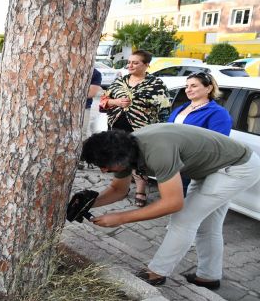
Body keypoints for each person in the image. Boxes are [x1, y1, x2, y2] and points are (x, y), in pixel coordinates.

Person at [81, 124, 260, 290]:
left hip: (237, 168)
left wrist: (121, 218)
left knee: (183, 219)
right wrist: (86, 204)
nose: (103, 171)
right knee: (207, 225)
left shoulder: (157, 151)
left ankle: (156, 273)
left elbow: (173, 203)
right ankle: (208, 277)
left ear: (119, 159)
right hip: (211, 169)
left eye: (104, 166)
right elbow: (118, 190)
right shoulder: (121, 150)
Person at [100, 50, 170, 207]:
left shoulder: (156, 84)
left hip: (142, 129)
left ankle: (140, 190)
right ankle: (120, 187)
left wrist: (160, 130)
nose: (130, 65)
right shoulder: (120, 81)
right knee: (119, 157)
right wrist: (115, 102)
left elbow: (165, 110)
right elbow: (104, 101)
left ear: (146, 65)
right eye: (129, 62)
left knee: (139, 158)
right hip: (116, 126)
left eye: (135, 62)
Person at [167, 72, 232, 195]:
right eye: (187, 86)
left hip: (192, 168)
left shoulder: (218, 113)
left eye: (194, 86)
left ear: (208, 88)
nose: (188, 90)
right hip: (174, 164)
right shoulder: (181, 108)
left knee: (186, 205)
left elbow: (218, 144)